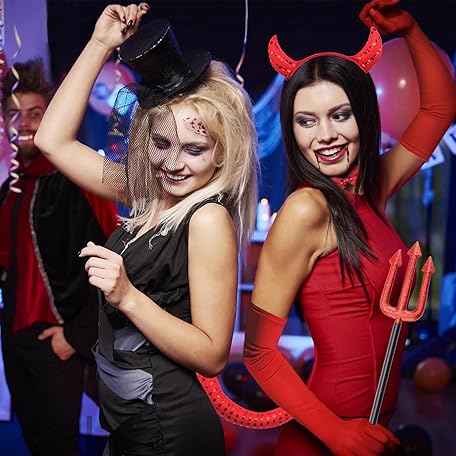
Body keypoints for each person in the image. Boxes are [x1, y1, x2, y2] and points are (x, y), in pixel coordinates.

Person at [35, 3, 258, 455]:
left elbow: (213, 354)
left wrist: (127, 296)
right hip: (133, 425)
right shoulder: (146, 193)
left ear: (222, 153)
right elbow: (51, 141)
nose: (172, 164)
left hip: (170, 430)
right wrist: (100, 43)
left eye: (194, 149)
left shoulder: (208, 218)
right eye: (161, 143)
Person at [243, 0, 456, 455]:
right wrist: (336, 433)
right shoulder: (307, 210)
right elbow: (258, 354)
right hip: (325, 440)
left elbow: (439, 109)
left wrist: (411, 32)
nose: (325, 135)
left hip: (374, 434)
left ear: (364, 114)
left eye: (340, 115)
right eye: (306, 121)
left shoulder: (373, 189)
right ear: (292, 129)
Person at [0, 59, 118, 455]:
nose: (23, 124)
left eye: (35, 113)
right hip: (17, 341)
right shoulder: (11, 186)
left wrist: (76, 336)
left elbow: (115, 258)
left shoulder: (77, 179)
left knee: (58, 447)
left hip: (61, 340)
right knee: (34, 442)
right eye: (13, 114)